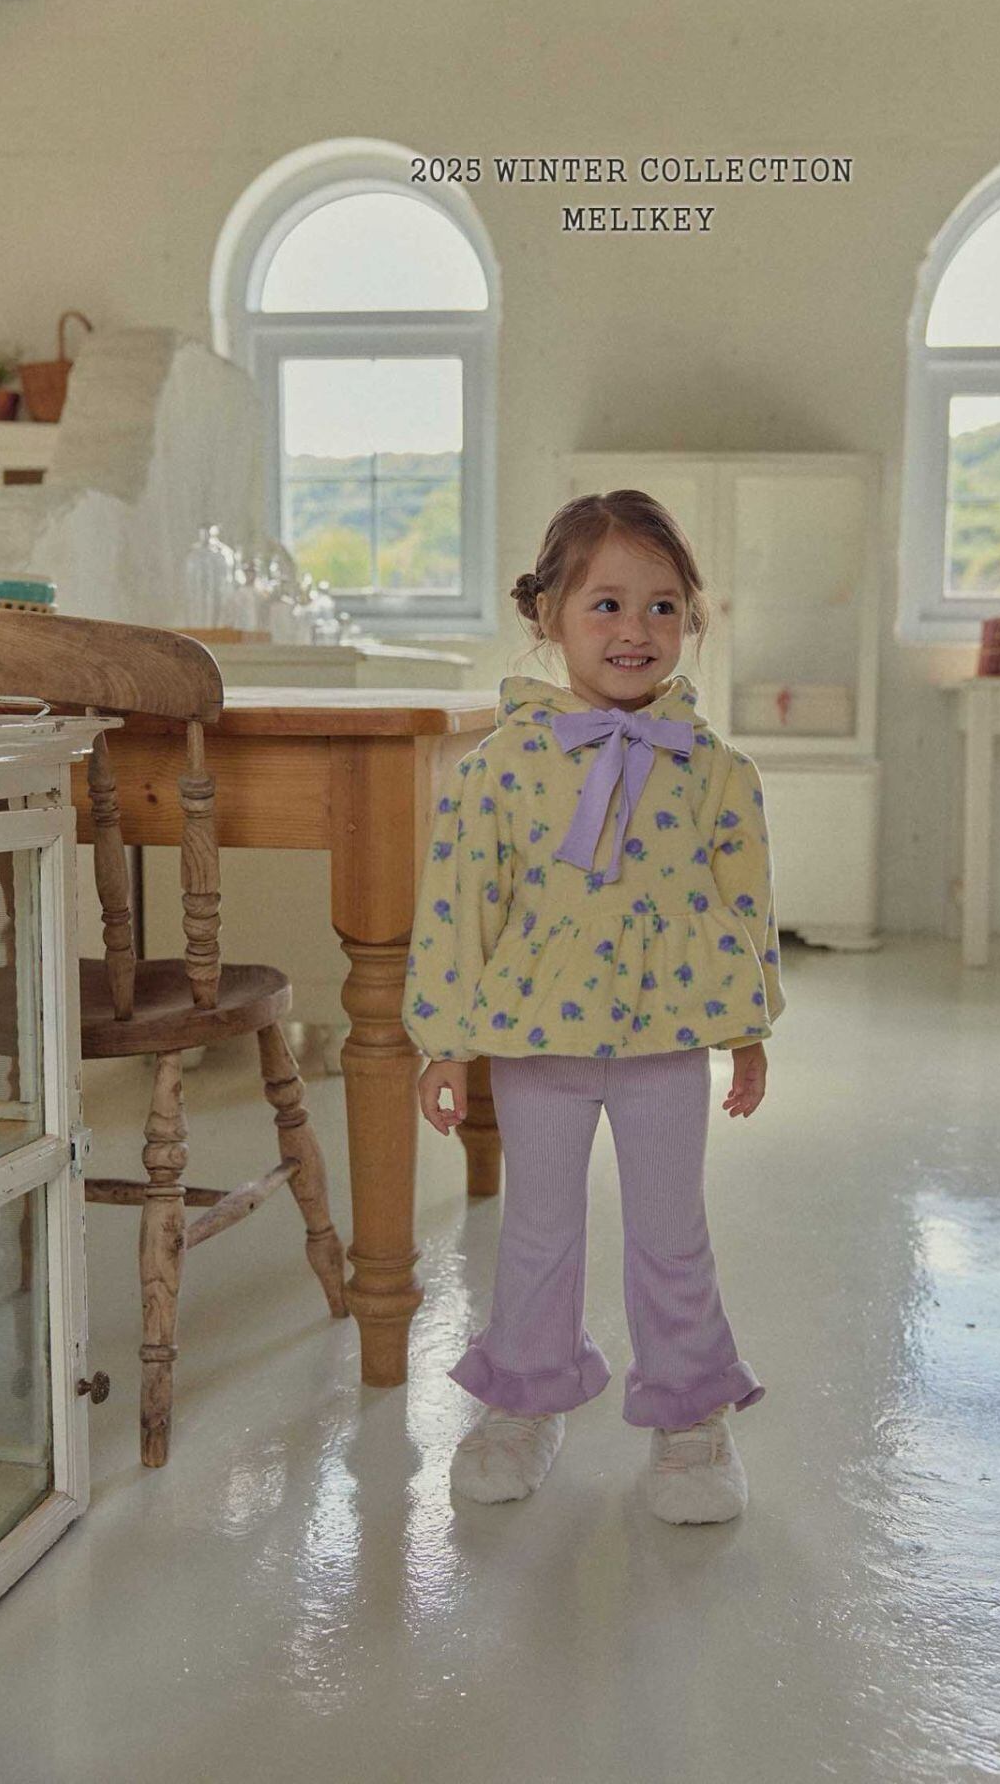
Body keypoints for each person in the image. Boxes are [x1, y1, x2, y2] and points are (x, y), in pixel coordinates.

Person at [401, 489, 786, 1524]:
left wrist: (749, 1027)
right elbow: (459, 908)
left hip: (666, 1045)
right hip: (538, 1045)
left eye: (662, 606)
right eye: (607, 604)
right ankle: (525, 1400)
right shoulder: (496, 771)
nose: (635, 629)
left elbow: (745, 904)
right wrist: (444, 1043)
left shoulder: (715, 771)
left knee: (672, 1233)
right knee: (537, 1230)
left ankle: (691, 1415)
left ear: (692, 618)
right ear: (550, 616)